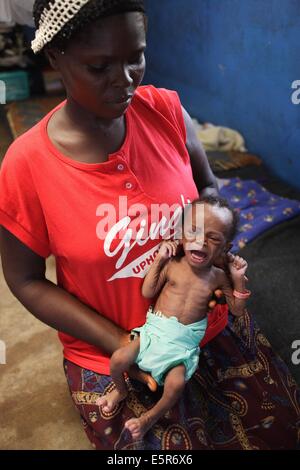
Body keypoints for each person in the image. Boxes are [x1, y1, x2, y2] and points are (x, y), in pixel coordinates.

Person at [0, 0, 298, 450]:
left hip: (205, 326)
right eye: (99, 66)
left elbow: (209, 193)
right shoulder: (26, 165)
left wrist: (214, 260)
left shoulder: (167, 111)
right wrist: (124, 342)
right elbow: (24, 280)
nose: (125, 81)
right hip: (112, 351)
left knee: (281, 429)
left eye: (135, 57)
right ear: (54, 55)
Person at [97, 196, 251, 440]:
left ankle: (149, 418)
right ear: (180, 234)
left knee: (176, 385)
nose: (200, 242)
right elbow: (148, 291)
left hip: (181, 348)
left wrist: (238, 276)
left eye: (213, 239)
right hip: (153, 335)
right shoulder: (173, 265)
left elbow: (237, 310)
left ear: (225, 249)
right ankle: (121, 390)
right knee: (118, 359)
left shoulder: (218, 277)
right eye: (194, 231)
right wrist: (160, 259)